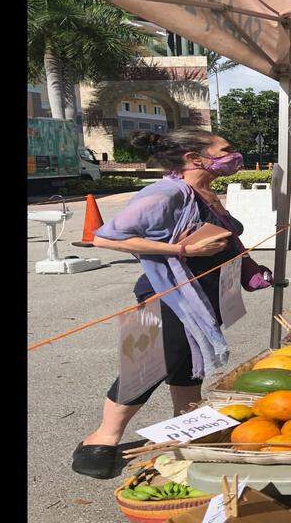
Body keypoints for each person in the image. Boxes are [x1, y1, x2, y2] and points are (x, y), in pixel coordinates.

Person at [72, 129, 266, 480]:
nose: (234, 155)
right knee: (148, 364)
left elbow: (227, 239)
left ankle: (186, 424)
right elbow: (105, 238)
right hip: (167, 294)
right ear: (195, 158)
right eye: (225, 149)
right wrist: (181, 250)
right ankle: (102, 438)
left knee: (187, 362)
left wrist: (248, 268)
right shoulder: (166, 192)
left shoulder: (206, 192)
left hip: (202, 295)